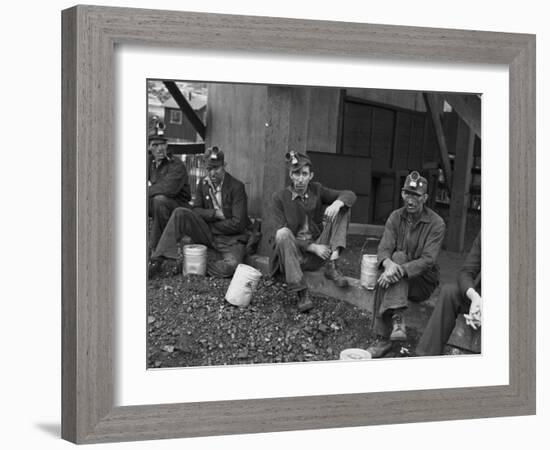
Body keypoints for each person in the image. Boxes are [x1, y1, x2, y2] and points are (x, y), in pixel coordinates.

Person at [366, 171, 445, 358]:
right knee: (386, 275)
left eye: (416, 195)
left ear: (425, 198)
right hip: (399, 281)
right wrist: (387, 264)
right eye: (407, 194)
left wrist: (397, 269)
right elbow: (384, 248)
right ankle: (393, 329)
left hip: (423, 282)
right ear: (402, 194)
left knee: (396, 264)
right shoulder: (395, 217)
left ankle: (385, 336)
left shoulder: (436, 223)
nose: (410, 200)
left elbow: (428, 260)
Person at [269, 151, 356, 313]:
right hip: (292, 256)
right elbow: (277, 236)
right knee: (282, 233)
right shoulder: (279, 198)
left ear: (311, 176)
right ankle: (301, 292)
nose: (300, 179)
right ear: (290, 175)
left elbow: (350, 195)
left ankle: (332, 264)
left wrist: (337, 203)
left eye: (304, 174)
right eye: (296, 173)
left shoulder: (317, 190)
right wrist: (312, 247)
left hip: (319, 255)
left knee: (344, 207)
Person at [148, 146, 250, 278]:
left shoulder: (237, 187)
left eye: (216, 168)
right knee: (180, 213)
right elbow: (195, 210)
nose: (212, 173)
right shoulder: (203, 184)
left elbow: (238, 224)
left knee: (230, 267)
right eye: (209, 169)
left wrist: (210, 225)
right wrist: (215, 214)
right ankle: (158, 260)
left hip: (230, 239)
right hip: (207, 233)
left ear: (224, 165)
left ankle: (194, 263)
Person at [415, 232, 481, 356]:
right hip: (481, 297)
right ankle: (425, 356)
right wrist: (474, 297)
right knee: (449, 292)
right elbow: (467, 271)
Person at [148, 129, 191, 254]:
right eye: (155, 145)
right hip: (158, 204)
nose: (160, 149)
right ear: (149, 147)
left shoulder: (176, 164)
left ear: (167, 145)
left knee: (159, 200)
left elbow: (169, 189)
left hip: (179, 207)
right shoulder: (149, 161)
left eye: (162, 144)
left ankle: (157, 249)